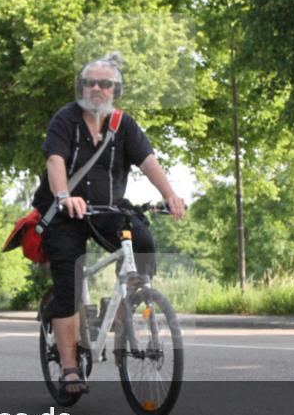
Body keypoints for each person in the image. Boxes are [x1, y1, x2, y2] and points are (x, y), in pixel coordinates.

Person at [32, 52, 185, 395]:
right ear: (81, 87)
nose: (97, 89)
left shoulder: (124, 125)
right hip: (64, 212)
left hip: (107, 209)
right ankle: (70, 368)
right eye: (91, 83)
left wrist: (171, 195)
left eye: (106, 84)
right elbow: (55, 161)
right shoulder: (65, 120)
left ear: (116, 90)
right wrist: (62, 196)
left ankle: (131, 299)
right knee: (68, 283)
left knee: (142, 236)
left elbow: (148, 162)